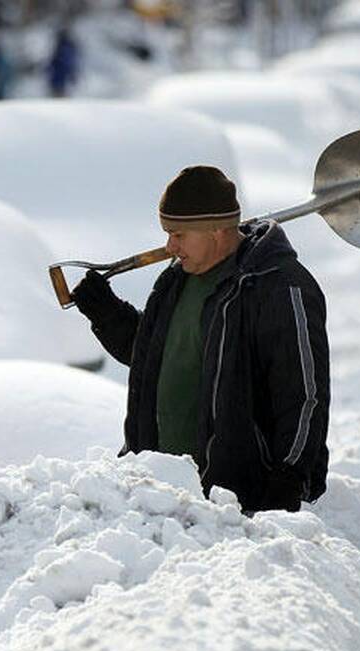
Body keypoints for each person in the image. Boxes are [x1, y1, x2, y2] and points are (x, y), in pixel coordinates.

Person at [71, 166, 330, 513]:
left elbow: (303, 394)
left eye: (178, 234)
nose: (169, 247)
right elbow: (157, 358)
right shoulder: (175, 281)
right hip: (159, 494)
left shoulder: (277, 287)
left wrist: (288, 476)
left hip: (235, 499)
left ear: (218, 229)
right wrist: (106, 313)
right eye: (167, 233)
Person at [46, 23, 79, 98]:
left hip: (60, 75)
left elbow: (66, 61)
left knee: (59, 94)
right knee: (58, 93)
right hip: (59, 75)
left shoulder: (64, 46)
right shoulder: (63, 45)